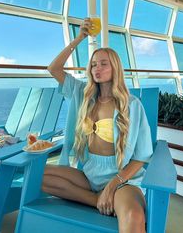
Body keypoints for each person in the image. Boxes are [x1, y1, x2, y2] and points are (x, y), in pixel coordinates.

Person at [42, 18, 153, 233]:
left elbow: (141, 157)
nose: (97, 67)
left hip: (122, 180)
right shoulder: (82, 94)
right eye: (93, 64)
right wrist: (79, 38)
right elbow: (53, 68)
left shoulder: (131, 105)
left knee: (133, 215)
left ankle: (109, 197)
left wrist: (112, 185)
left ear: (115, 68)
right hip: (90, 175)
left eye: (104, 63)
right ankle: (96, 200)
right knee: (37, 176)